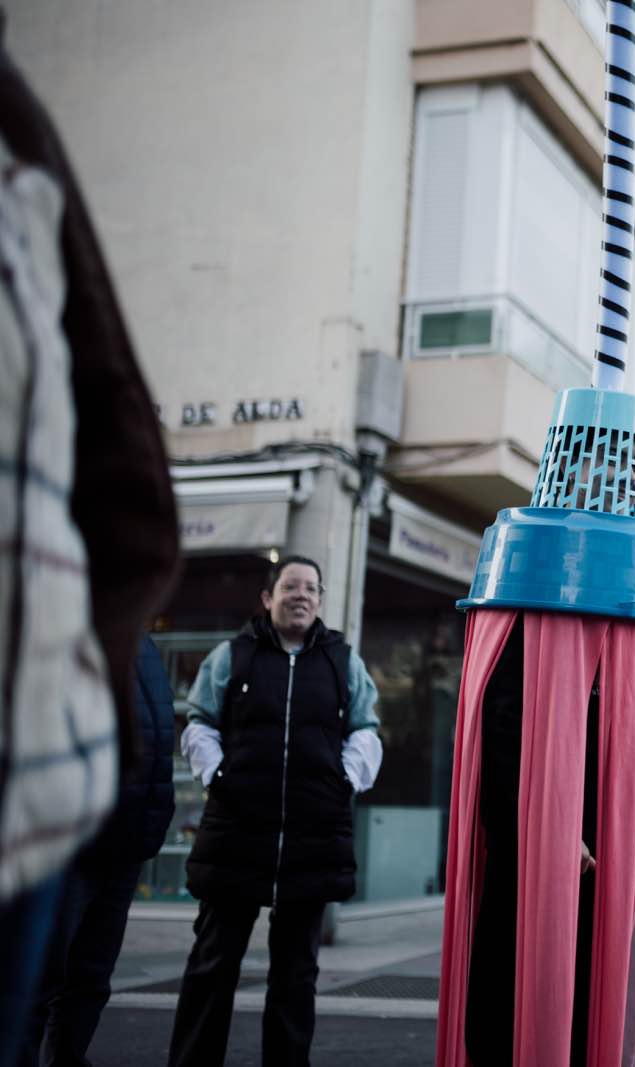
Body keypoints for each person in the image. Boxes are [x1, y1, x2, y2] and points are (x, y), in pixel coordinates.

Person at [0, 35, 182, 1067]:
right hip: (48, 812)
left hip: (66, 812)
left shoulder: (18, 129)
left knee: (81, 989)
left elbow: (116, 465)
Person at [169, 556, 383, 1067]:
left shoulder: (342, 661)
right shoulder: (232, 656)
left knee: (295, 977)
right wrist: (218, 777)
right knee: (212, 967)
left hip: (312, 842)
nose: (301, 595)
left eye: (311, 588)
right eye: (290, 586)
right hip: (235, 838)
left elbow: (365, 729)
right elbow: (199, 723)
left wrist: (346, 780)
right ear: (268, 597)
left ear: (320, 600)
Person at [23, 636, 174, 1066]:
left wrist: (153, 820)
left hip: (124, 846)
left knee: (91, 979)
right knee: (39, 982)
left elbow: (155, 733)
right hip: (71, 849)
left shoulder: (139, 640)